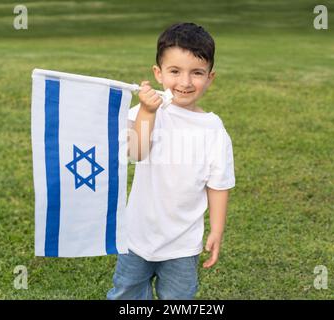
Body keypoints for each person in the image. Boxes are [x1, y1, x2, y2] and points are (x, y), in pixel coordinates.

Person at [107, 22, 235, 300]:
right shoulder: (149, 110)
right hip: (137, 237)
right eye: (175, 71)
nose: (186, 82)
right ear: (159, 73)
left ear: (210, 77)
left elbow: (219, 184)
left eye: (197, 73)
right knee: (127, 293)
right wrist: (147, 112)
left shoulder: (213, 129)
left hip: (183, 244)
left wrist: (218, 229)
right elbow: (135, 152)